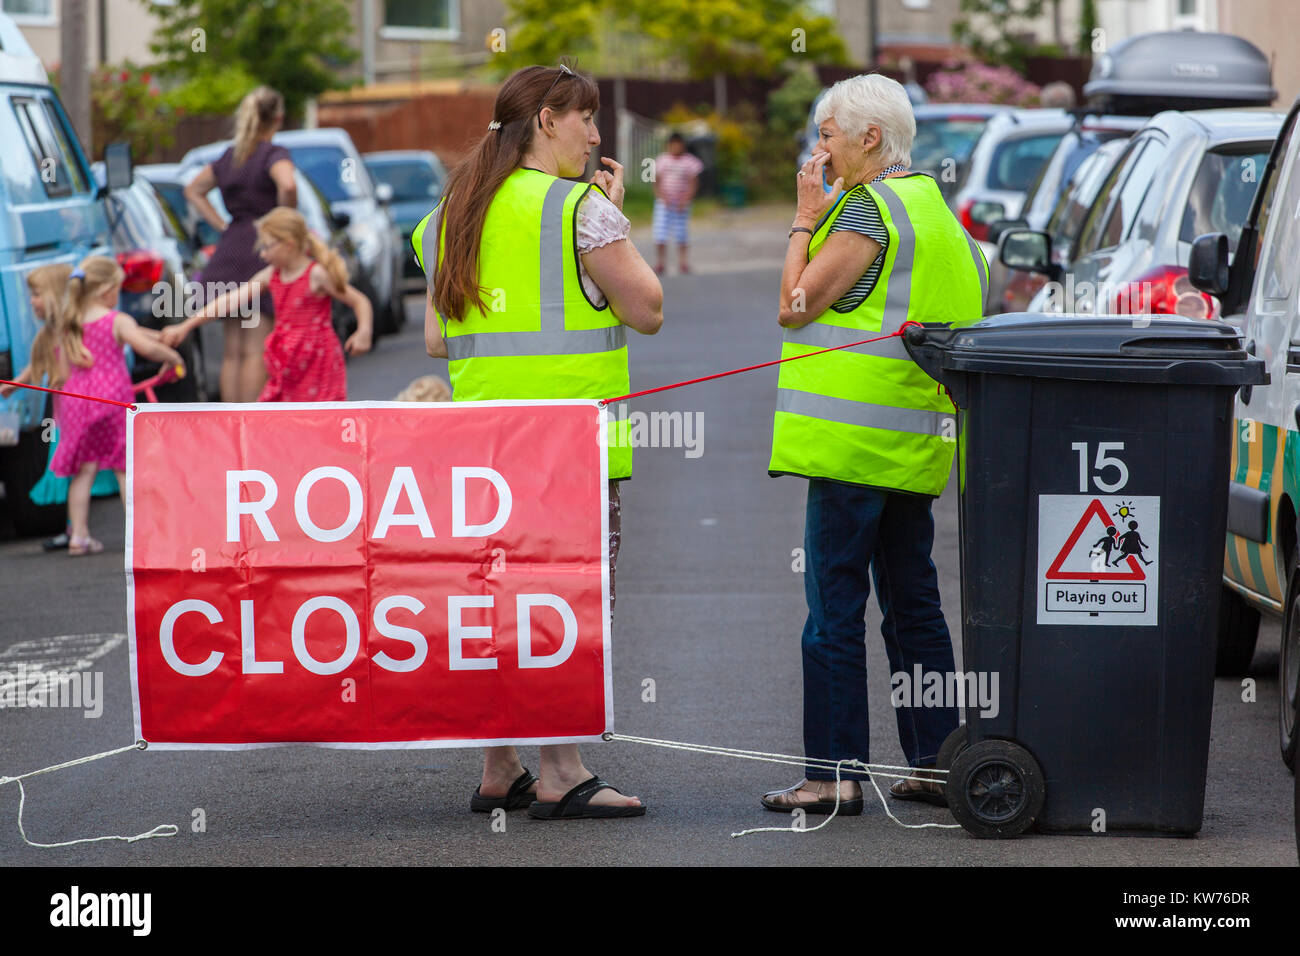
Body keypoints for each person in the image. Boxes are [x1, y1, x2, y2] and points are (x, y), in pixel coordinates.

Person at [412, 63, 663, 820]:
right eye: (584, 117)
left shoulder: (451, 213)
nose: (595, 133)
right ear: (545, 122)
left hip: (481, 455)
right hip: (566, 456)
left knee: (500, 607)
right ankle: (562, 773)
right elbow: (647, 308)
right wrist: (614, 221)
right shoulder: (580, 210)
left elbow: (434, 340)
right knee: (564, 611)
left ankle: (502, 765)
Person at [762, 74, 988, 814]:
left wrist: (804, 220)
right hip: (912, 449)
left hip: (851, 451)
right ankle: (931, 760)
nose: (817, 146)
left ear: (868, 139)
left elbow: (796, 308)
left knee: (833, 613)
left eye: (827, 132)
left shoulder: (866, 210)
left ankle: (830, 776)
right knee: (914, 607)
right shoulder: (937, 211)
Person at [0, 257, 184, 554]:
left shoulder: (68, 325)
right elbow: (144, 346)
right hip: (112, 401)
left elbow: (49, 366)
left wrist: (17, 384)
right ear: (108, 290)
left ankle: (79, 536)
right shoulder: (115, 320)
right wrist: (173, 358)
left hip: (76, 405)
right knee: (125, 469)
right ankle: (140, 536)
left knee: (84, 472)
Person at [162, 208, 372, 399]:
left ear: (288, 245)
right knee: (280, 418)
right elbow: (230, 301)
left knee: (316, 418)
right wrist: (186, 325)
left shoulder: (315, 275)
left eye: (267, 247)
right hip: (286, 361)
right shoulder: (271, 275)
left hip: (316, 361)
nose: (262, 254)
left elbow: (359, 300)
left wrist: (363, 331)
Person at [184, 86, 297, 402]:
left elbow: (193, 190)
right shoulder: (273, 154)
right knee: (255, 348)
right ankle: (250, 421)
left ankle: (230, 421)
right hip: (260, 251)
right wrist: (283, 217)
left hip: (229, 251)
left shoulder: (230, 156)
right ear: (278, 118)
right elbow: (287, 184)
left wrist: (223, 225)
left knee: (232, 351)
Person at [652, 132, 704, 275]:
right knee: (660, 233)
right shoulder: (662, 160)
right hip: (664, 202)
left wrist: (686, 199)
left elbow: (694, 183)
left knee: (682, 234)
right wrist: (662, 197)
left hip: (682, 203)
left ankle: (683, 262)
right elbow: (656, 182)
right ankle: (660, 262)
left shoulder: (689, 162)